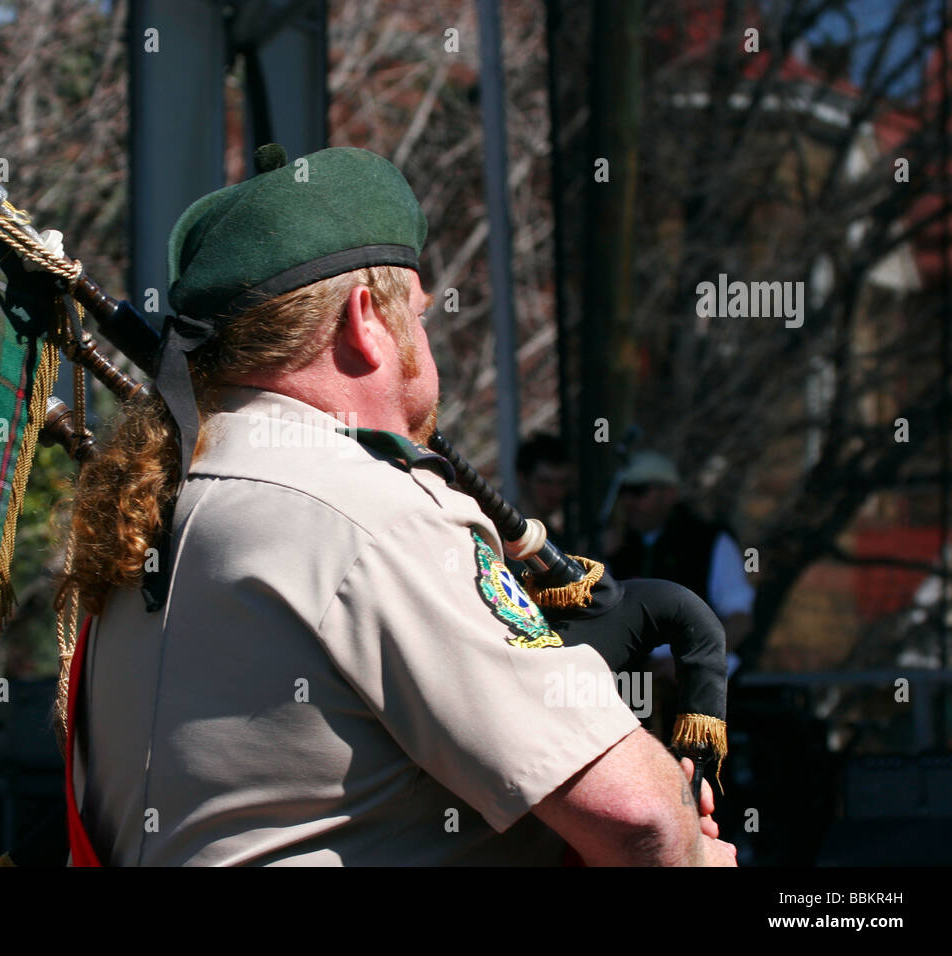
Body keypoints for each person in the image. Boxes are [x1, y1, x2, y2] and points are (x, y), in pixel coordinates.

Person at [62, 145, 735, 866]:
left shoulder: (156, 514)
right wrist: (694, 851)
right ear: (364, 321)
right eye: (416, 317)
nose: (425, 345)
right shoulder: (370, 511)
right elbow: (638, 820)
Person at [606, 450, 755, 675]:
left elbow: (740, 619)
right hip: (630, 680)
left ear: (669, 494)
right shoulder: (616, 546)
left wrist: (694, 661)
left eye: (639, 491)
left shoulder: (710, 542)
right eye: (623, 492)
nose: (629, 502)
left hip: (695, 682)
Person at [515, 432, 573, 541]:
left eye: (562, 483)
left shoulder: (556, 539)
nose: (556, 492)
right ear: (523, 478)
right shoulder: (501, 534)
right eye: (545, 482)